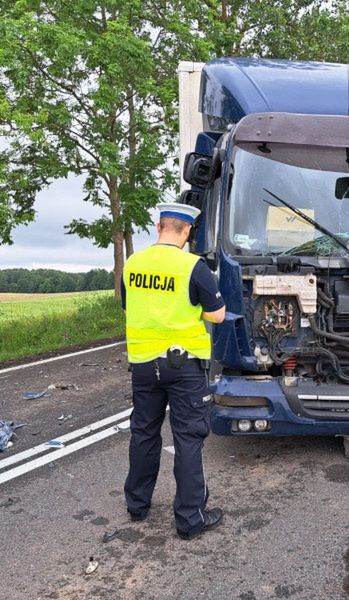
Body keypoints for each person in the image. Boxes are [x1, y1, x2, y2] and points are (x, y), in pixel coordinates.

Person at [121, 202, 226, 540]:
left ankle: (137, 506)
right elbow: (217, 315)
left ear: (158, 227)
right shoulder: (193, 266)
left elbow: (129, 303)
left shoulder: (132, 263)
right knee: (188, 438)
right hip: (183, 367)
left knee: (144, 433)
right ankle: (190, 520)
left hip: (142, 365)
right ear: (187, 231)